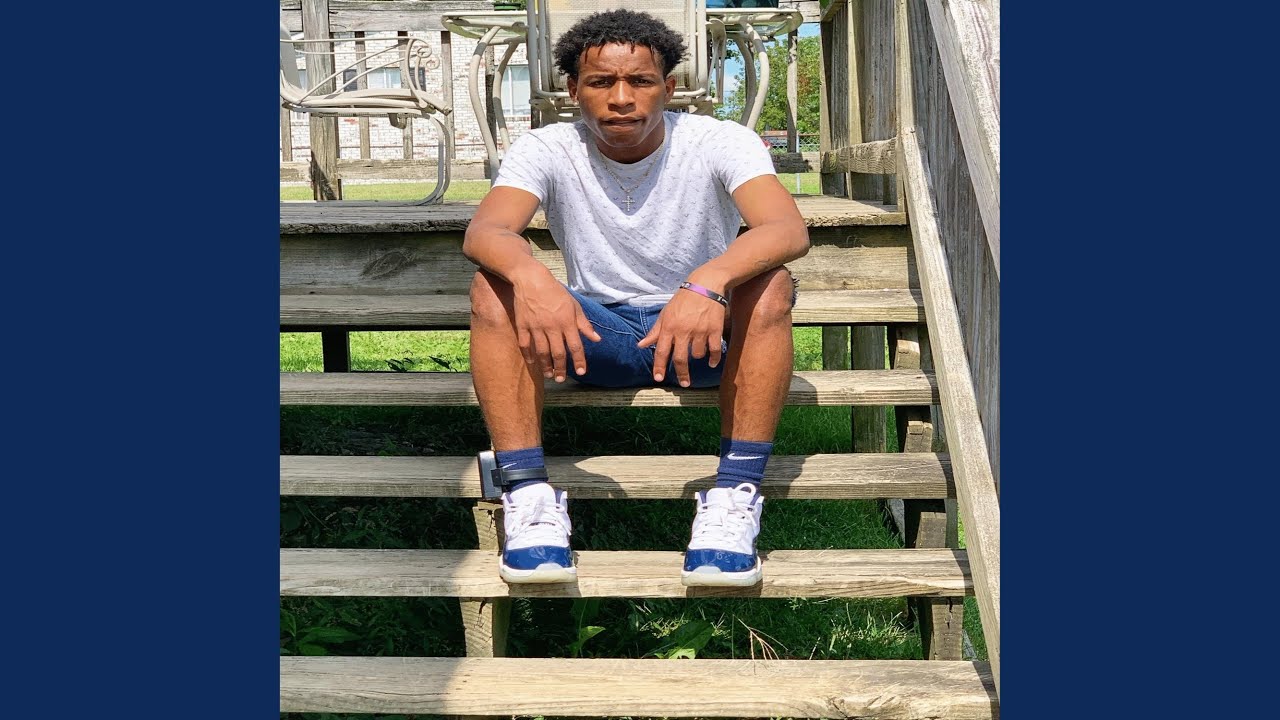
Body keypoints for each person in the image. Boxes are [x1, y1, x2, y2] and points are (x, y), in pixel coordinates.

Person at [462, 9, 809, 587]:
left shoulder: (719, 140)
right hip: (595, 338)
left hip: (702, 339)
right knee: (493, 286)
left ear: (668, 88)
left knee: (771, 283)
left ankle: (734, 496)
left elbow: (786, 229)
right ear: (573, 90)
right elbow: (486, 232)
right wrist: (533, 278)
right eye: (600, 82)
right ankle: (527, 496)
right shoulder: (547, 146)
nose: (621, 98)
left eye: (640, 81)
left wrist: (706, 283)